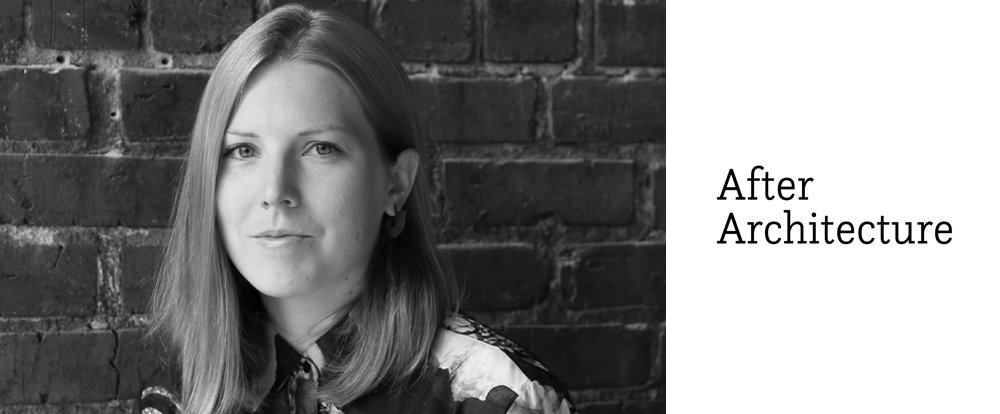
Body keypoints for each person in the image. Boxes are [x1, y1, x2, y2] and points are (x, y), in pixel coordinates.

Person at [140, 4, 576, 414]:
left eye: (321, 148)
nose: (275, 191)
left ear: (396, 183)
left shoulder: (496, 396)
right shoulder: (185, 386)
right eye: (242, 150)